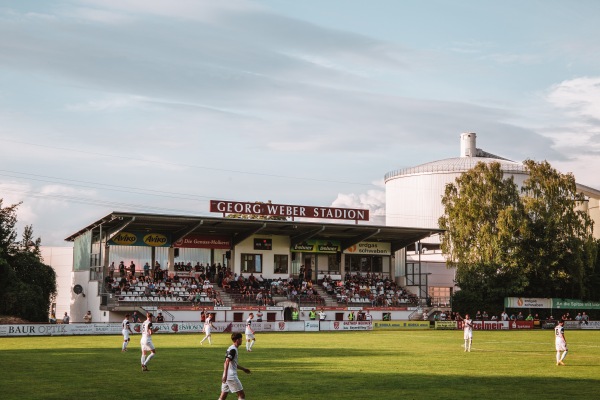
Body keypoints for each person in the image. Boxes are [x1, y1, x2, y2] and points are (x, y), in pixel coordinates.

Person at [219, 333, 251, 400]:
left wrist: (243, 369)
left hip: (227, 376)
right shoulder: (233, 350)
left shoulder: (231, 348)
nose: (242, 340)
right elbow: (226, 362)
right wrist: (225, 375)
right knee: (241, 395)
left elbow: (233, 363)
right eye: (241, 339)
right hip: (231, 376)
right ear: (237, 340)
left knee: (223, 396)